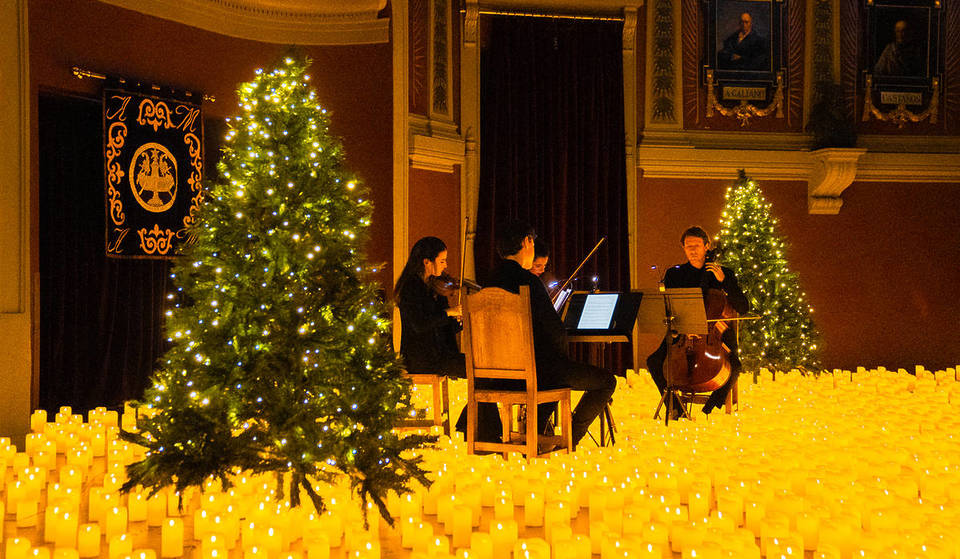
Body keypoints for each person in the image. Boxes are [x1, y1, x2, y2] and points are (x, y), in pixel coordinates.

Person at [483, 220, 617, 447]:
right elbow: (554, 330)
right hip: (535, 374)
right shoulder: (529, 282)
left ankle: (537, 432)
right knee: (606, 381)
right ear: (527, 242)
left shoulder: (489, 282)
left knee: (555, 368)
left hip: (494, 375)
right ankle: (568, 440)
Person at [646, 227, 750, 417]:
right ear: (683, 248)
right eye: (688, 247)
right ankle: (674, 406)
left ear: (707, 246)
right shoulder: (674, 274)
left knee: (734, 365)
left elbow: (743, 307)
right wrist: (682, 328)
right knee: (653, 361)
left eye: (696, 246)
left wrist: (724, 281)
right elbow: (669, 308)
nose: (692, 250)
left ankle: (711, 407)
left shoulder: (724, 273)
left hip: (715, 333)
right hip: (681, 332)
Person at [394, 237, 464, 379]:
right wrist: (448, 312)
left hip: (440, 355)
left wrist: (458, 322)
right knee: (478, 369)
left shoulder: (434, 286)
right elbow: (420, 325)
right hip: (421, 358)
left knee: (483, 368)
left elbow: (442, 327)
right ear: (426, 262)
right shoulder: (410, 287)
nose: (445, 265)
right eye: (442, 261)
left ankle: (480, 402)